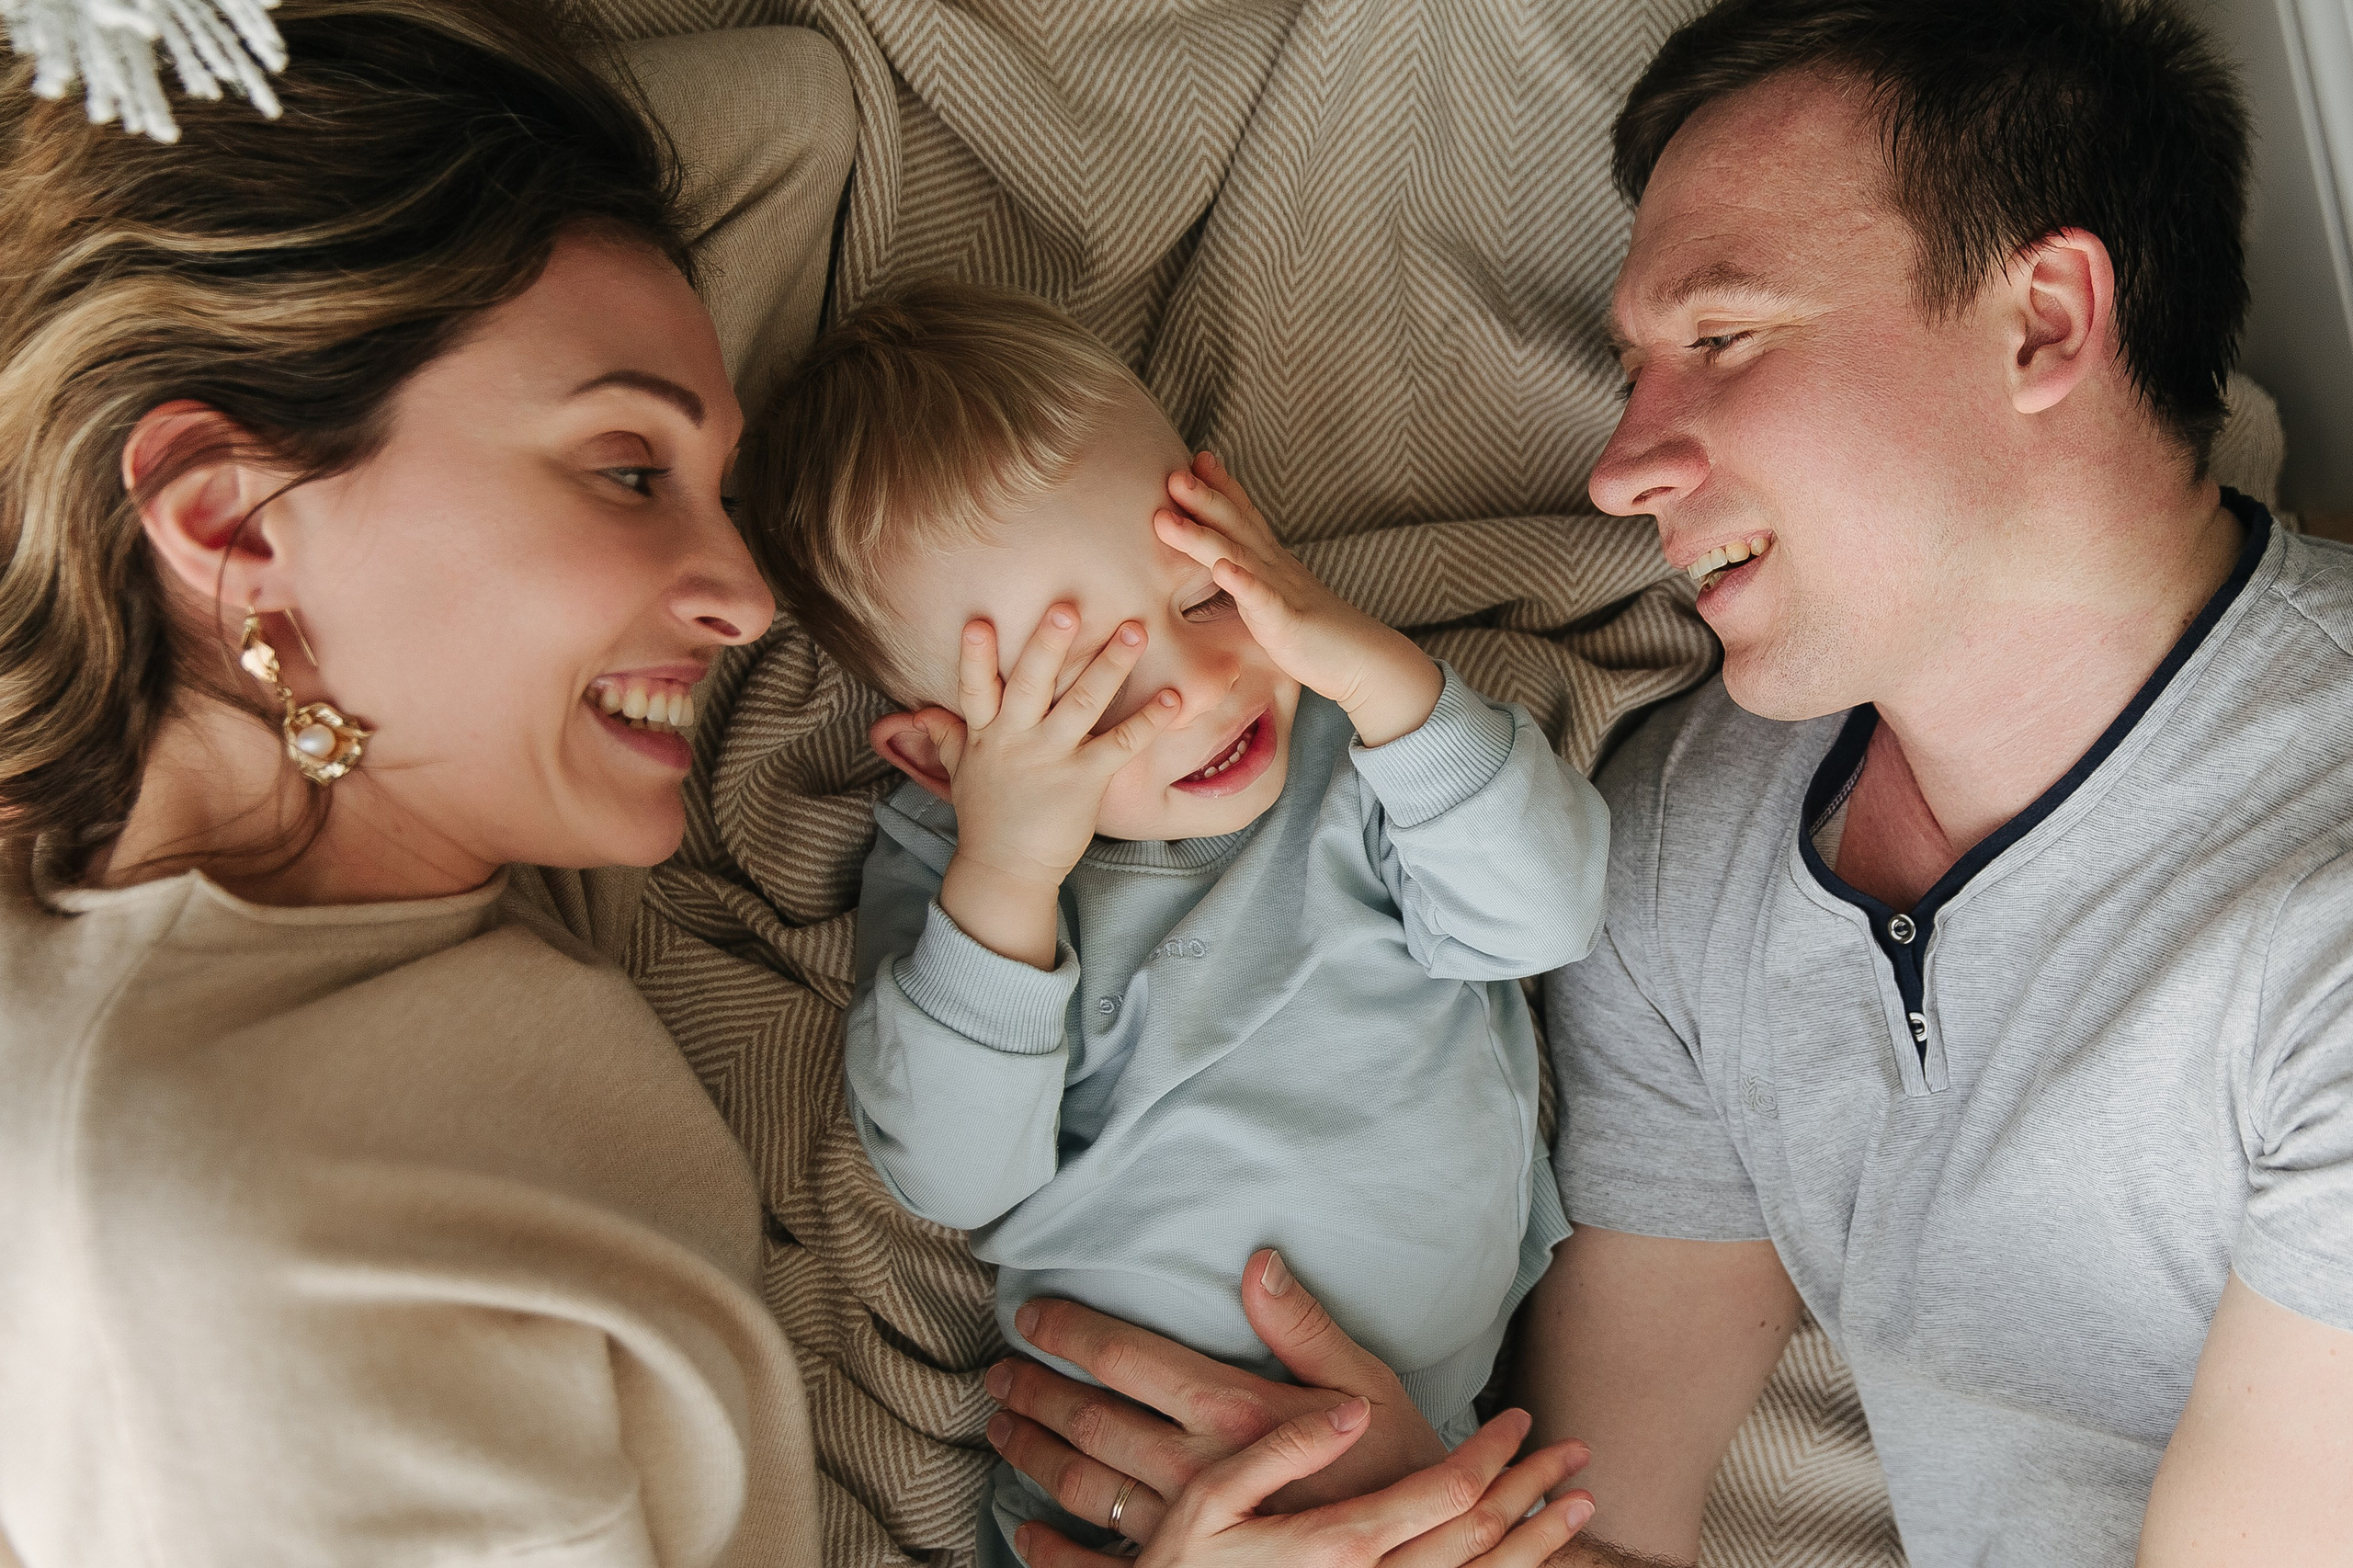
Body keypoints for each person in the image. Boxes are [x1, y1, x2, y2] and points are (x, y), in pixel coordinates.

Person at [0, 5, 1598, 1564]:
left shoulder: (375, 899)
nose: (754, 604)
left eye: (710, 483)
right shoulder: (222, 1228)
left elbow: (801, 118)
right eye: (627, 467)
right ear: (232, 527)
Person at [981, 1, 2353, 1564]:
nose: (1621, 468)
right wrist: (1377, 1516)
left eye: (1722, 339)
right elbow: (1604, 1538)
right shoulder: (1688, 840)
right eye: (1633, 371)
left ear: (2043, 318)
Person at [744, 282, 1607, 1564]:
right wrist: (1008, 875)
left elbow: (1543, 913)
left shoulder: (1359, 744)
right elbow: (954, 1172)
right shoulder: (963, 886)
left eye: (1205, 599)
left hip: (1438, 1438)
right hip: (1124, 1476)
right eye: (1088, 694)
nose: (1201, 689)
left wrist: (1372, 668)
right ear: (939, 755)